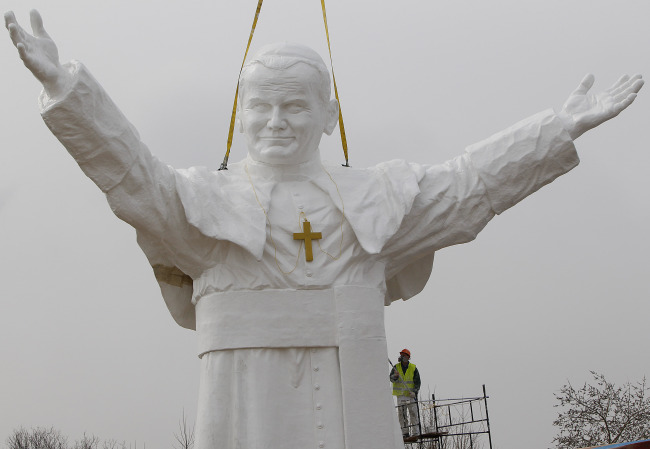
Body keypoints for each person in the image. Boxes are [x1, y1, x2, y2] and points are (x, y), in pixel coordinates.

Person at [4, 9, 644, 449]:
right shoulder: (204, 205)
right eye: (260, 106)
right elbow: (135, 175)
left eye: (294, 105)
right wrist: (70, 91)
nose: (276, 121)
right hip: (242, 408)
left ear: (329, 115)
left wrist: (555, 130)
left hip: (351, 406)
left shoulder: (377, 202)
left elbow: (469, 185)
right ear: (241, 115)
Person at [390, 349, 421, 438]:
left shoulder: (413, 368)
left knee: (413, 413)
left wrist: (415, 392)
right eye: (401, 355)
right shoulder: (396, 367)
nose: (402, 357)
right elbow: (391, 379)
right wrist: (395, 376)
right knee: (402, 414)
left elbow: (417, 382)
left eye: (404, 355)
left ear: (408, 357)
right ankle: (404, 432)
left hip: (410, 396)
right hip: (401, 396)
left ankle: (416, 432)